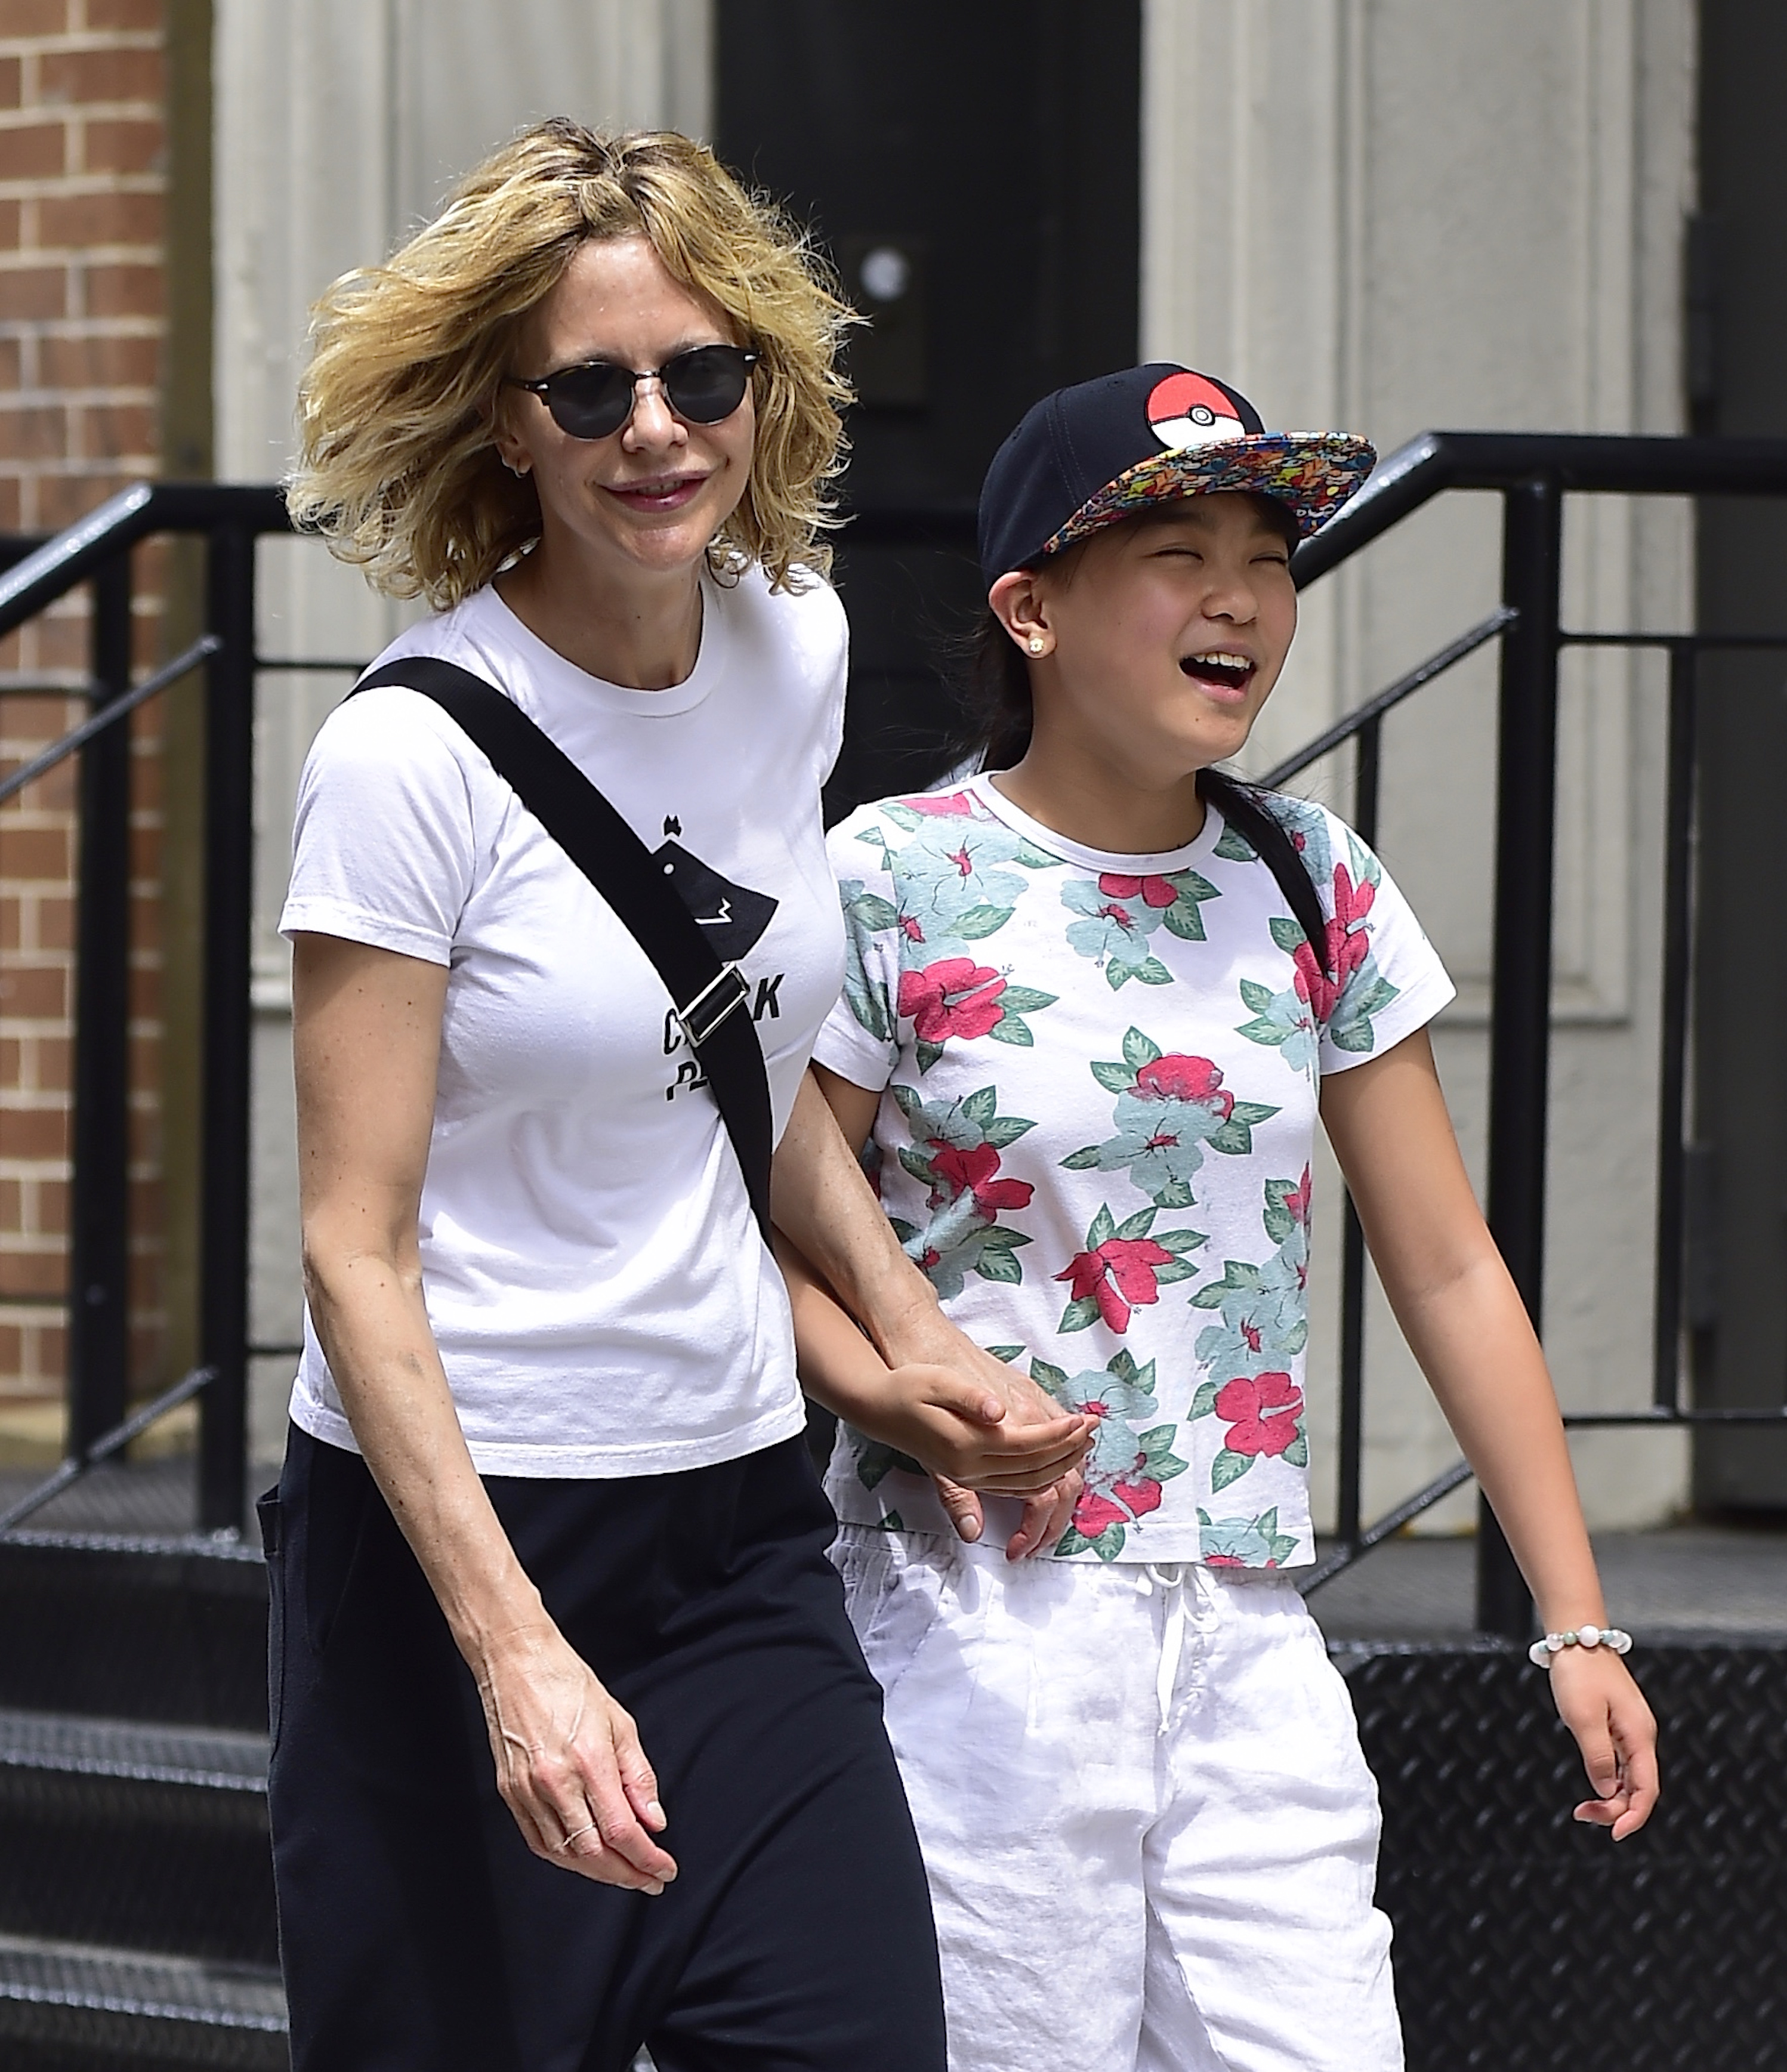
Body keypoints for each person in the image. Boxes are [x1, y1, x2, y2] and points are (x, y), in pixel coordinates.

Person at [265, 120, 1090, 2072]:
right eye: (591, 389)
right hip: (455, 1547)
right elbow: (353, 1249)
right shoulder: (406, 758)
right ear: (508, 423)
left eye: (700, 375)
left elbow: (741, 1045)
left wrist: (909, 1333)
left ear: (762, 388)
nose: (656, 430)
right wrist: (514, 1655)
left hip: (733, 1530)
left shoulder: (792, 645)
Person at [779, 365, 1661, 2072]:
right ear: (1032, 610)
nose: (1242, 597)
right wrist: (894, 1393)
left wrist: (1576, 1619)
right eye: (1178, 554)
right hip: (978, 1613)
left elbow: (1448, 1264)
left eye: (1267, 555)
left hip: (1249, 1623)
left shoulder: (1315, 881)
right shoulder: (892, 876)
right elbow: (769, 1229)